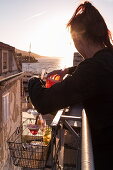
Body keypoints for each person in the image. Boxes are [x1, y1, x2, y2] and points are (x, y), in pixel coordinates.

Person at [28, 1, 113, 169]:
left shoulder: (93, 69)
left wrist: (34, 79)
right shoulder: (107, 59)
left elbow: (43, 102)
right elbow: (93, 72)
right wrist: (67, 70)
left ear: (78, 37)